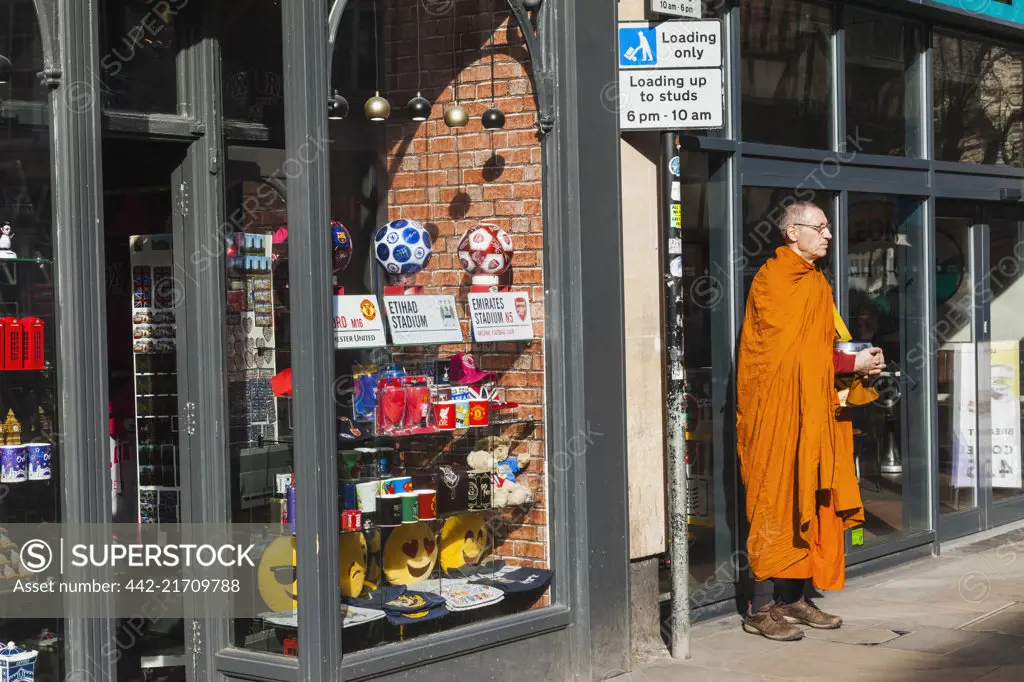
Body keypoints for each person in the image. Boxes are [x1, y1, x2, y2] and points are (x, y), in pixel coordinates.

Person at [736, 200, 885, 641]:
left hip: (813, 410)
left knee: (815, 498)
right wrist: (847, 366)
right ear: (791, 233)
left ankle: (794, 598)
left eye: (827, 227)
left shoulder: (817, 283)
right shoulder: (773, 281)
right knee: (775, 500)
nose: (828, 235)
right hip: (775, 413)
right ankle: (760, 606)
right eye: (819, 227)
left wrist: (858, 360)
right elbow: (783, 359)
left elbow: (822, 347)